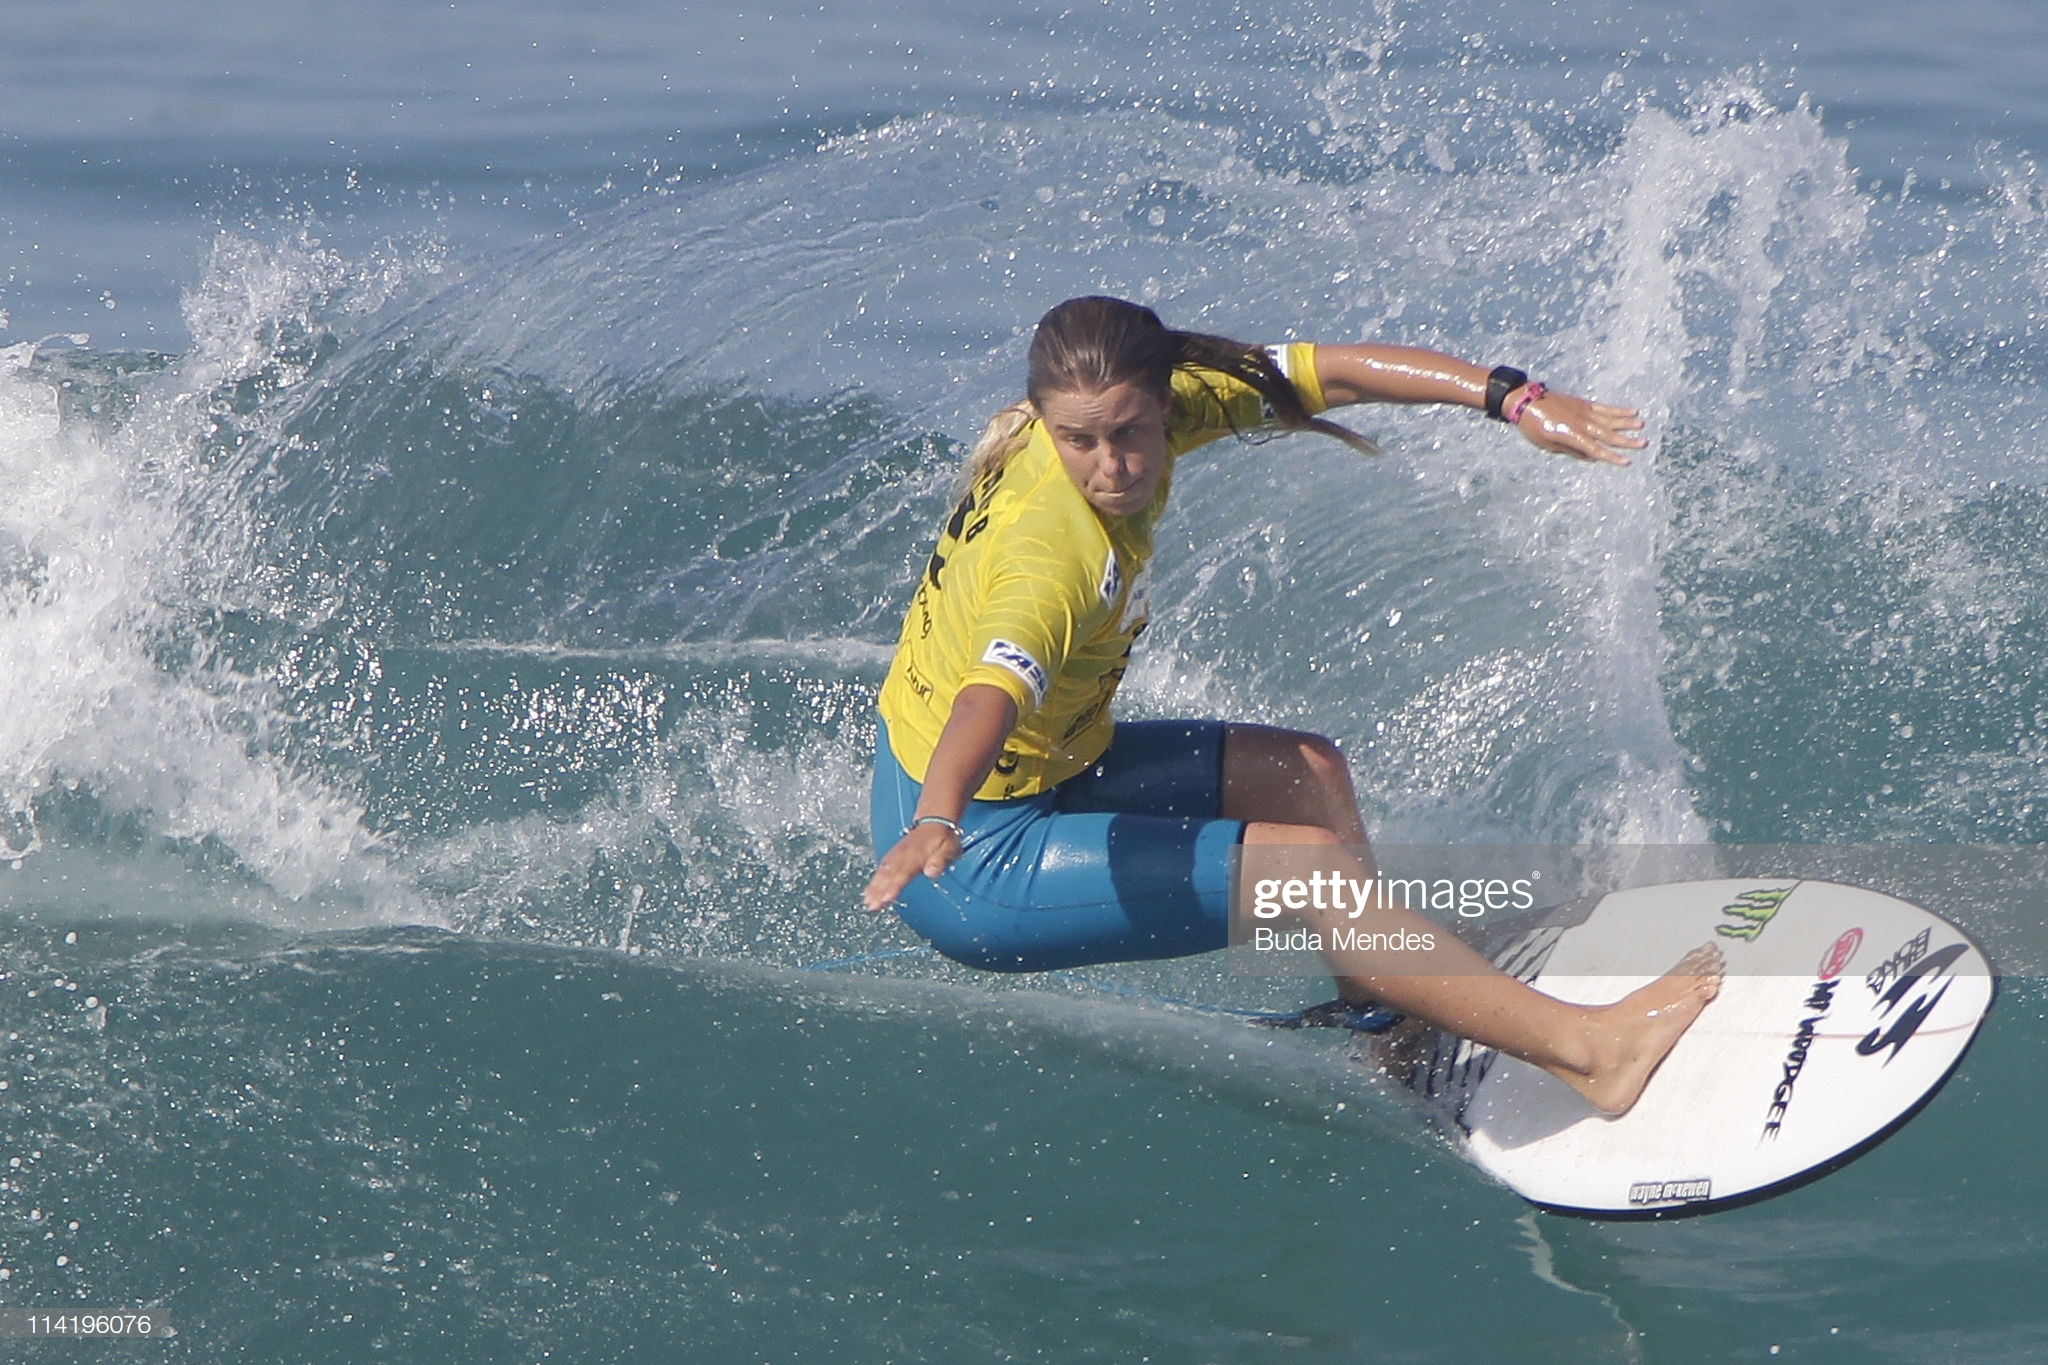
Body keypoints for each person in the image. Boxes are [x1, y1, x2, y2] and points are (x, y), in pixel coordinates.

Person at [861, 296, 1720, 1116]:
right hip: (967, 853)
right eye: (1078, 441)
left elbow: (1331, 373)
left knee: (1304, 774)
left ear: (1166, 402)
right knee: (1312, 869)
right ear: (1047, 421)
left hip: (1041, 768)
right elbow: (991, 695)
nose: (1110, 465)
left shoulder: (1159, 403)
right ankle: (1591, 1054)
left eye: (1128, 433)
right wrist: (938, 816)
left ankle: (1383, 1014)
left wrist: (1513, 399)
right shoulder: (1052, 558)